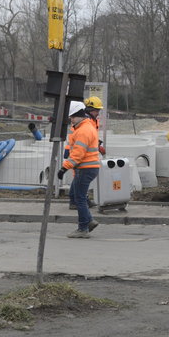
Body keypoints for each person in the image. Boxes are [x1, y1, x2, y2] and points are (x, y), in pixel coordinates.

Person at [58, 100, 101, 238]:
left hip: (86, 168)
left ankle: (83, 229)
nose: (71, 119)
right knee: (78, 196)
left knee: (80, 199)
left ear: (79, 115)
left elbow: (78, 154)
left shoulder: (83, 131)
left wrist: (64, 168)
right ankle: (89, 221)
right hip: (89, 167)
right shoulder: (87, 126)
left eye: (72, 117)